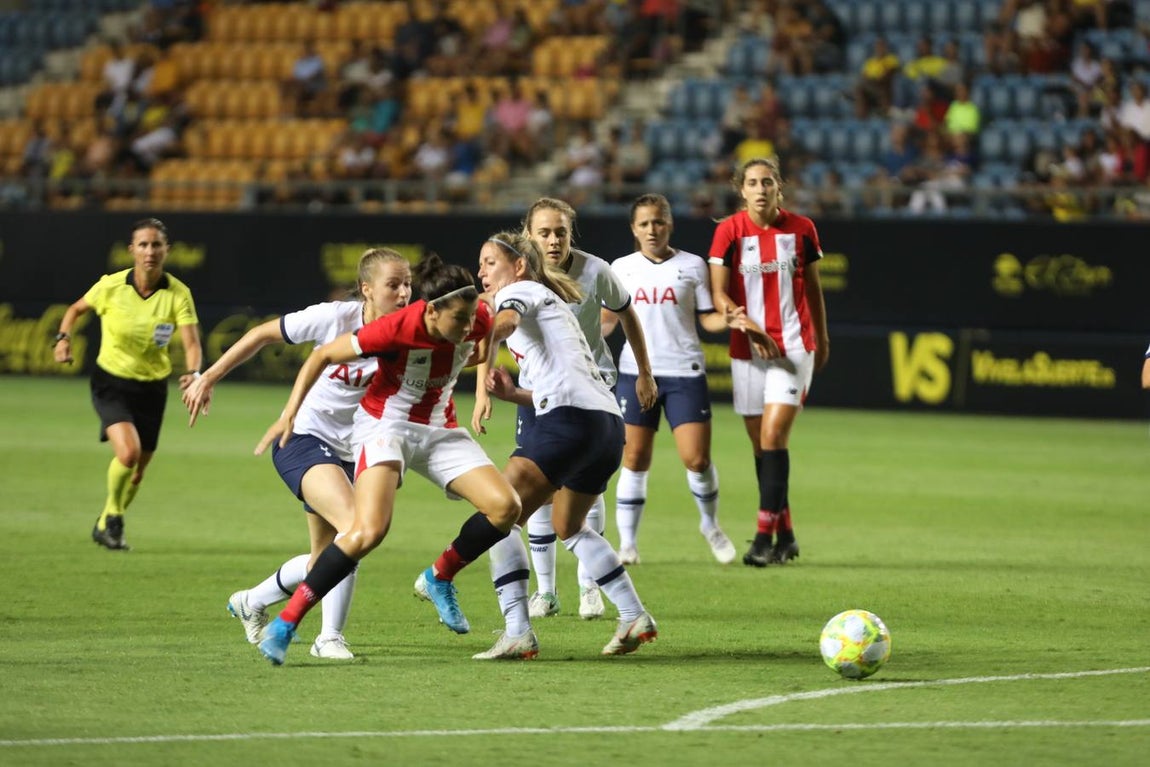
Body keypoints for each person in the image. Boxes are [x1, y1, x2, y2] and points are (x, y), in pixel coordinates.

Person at [254, 253, 521, 666]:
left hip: (440, 427)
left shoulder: (477, 316)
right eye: (459, 320)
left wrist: (490, 344)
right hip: (386, 425)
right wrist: (289, 412)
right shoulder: (395, 327)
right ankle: (285, 623)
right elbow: (322, 356)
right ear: (431, 312)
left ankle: (439, 576)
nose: (469, 326)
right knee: (367, 531)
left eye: (472, 317)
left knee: (506, 507)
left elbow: (493, 329)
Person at [181, 249, 412, 660]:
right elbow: (260, 335)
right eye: (393, 284)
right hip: (303, 438)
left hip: (358, 450)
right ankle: (329, 639)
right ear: (366, 290)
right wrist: (209, 376)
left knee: (325, 559)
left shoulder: (410, 333)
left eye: (407, 283)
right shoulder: (334, 318)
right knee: (354, 530)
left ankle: (252, 600)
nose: (403, 292)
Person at [469, 231, 658, 658]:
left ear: (518, 265)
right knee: (569, 525)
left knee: (498, 514)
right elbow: (559, 385)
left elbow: (503, 325)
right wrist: (512, 394)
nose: (482, 271)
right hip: (605, 424)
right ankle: (633, 615)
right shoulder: (556, 304)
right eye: (479, 263)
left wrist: (470, 354)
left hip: (568, 423)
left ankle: (517, 628)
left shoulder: (517, 293)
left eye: (489, 261)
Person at [603, 193, 742, 567]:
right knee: (634, 457)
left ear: (670, 224)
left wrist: (727, 321)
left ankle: (710, 525)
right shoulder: (621, 267)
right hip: (634, 372)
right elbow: (606, 321)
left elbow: (707, 319)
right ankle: (628, 544)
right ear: (634, 228)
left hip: (685, 372)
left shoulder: (693, 265)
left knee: (696, 459)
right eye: (645, 223)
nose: (652, 229)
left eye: (659, 221)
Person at [708, 157, 829, 567]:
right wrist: (749, 327)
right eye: (753, 183)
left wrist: (822, 338)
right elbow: (720, 297)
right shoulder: (729, 232)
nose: (760, 189)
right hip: (747, 351)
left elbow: (813, 288)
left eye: (768, 182)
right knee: (763, 449)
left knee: (774, 437)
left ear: (780, 188)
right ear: (741, 190)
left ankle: (762, 538)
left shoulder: (802, 229)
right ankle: (787, 534)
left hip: (793, 347)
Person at [53, 217, 202, 551]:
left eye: (156, 244)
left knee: (138, 470)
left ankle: (106, 522)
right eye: (144, 244)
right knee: (129, 452)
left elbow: (192, 343)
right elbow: (75, 310)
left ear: (167, 250)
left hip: (152, 387)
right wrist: (63, 338)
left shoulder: (178, 294)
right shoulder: (111, 286)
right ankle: (115, 517)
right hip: (112, 382)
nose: (150, 251)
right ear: (132, 249)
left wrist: (194, 374)